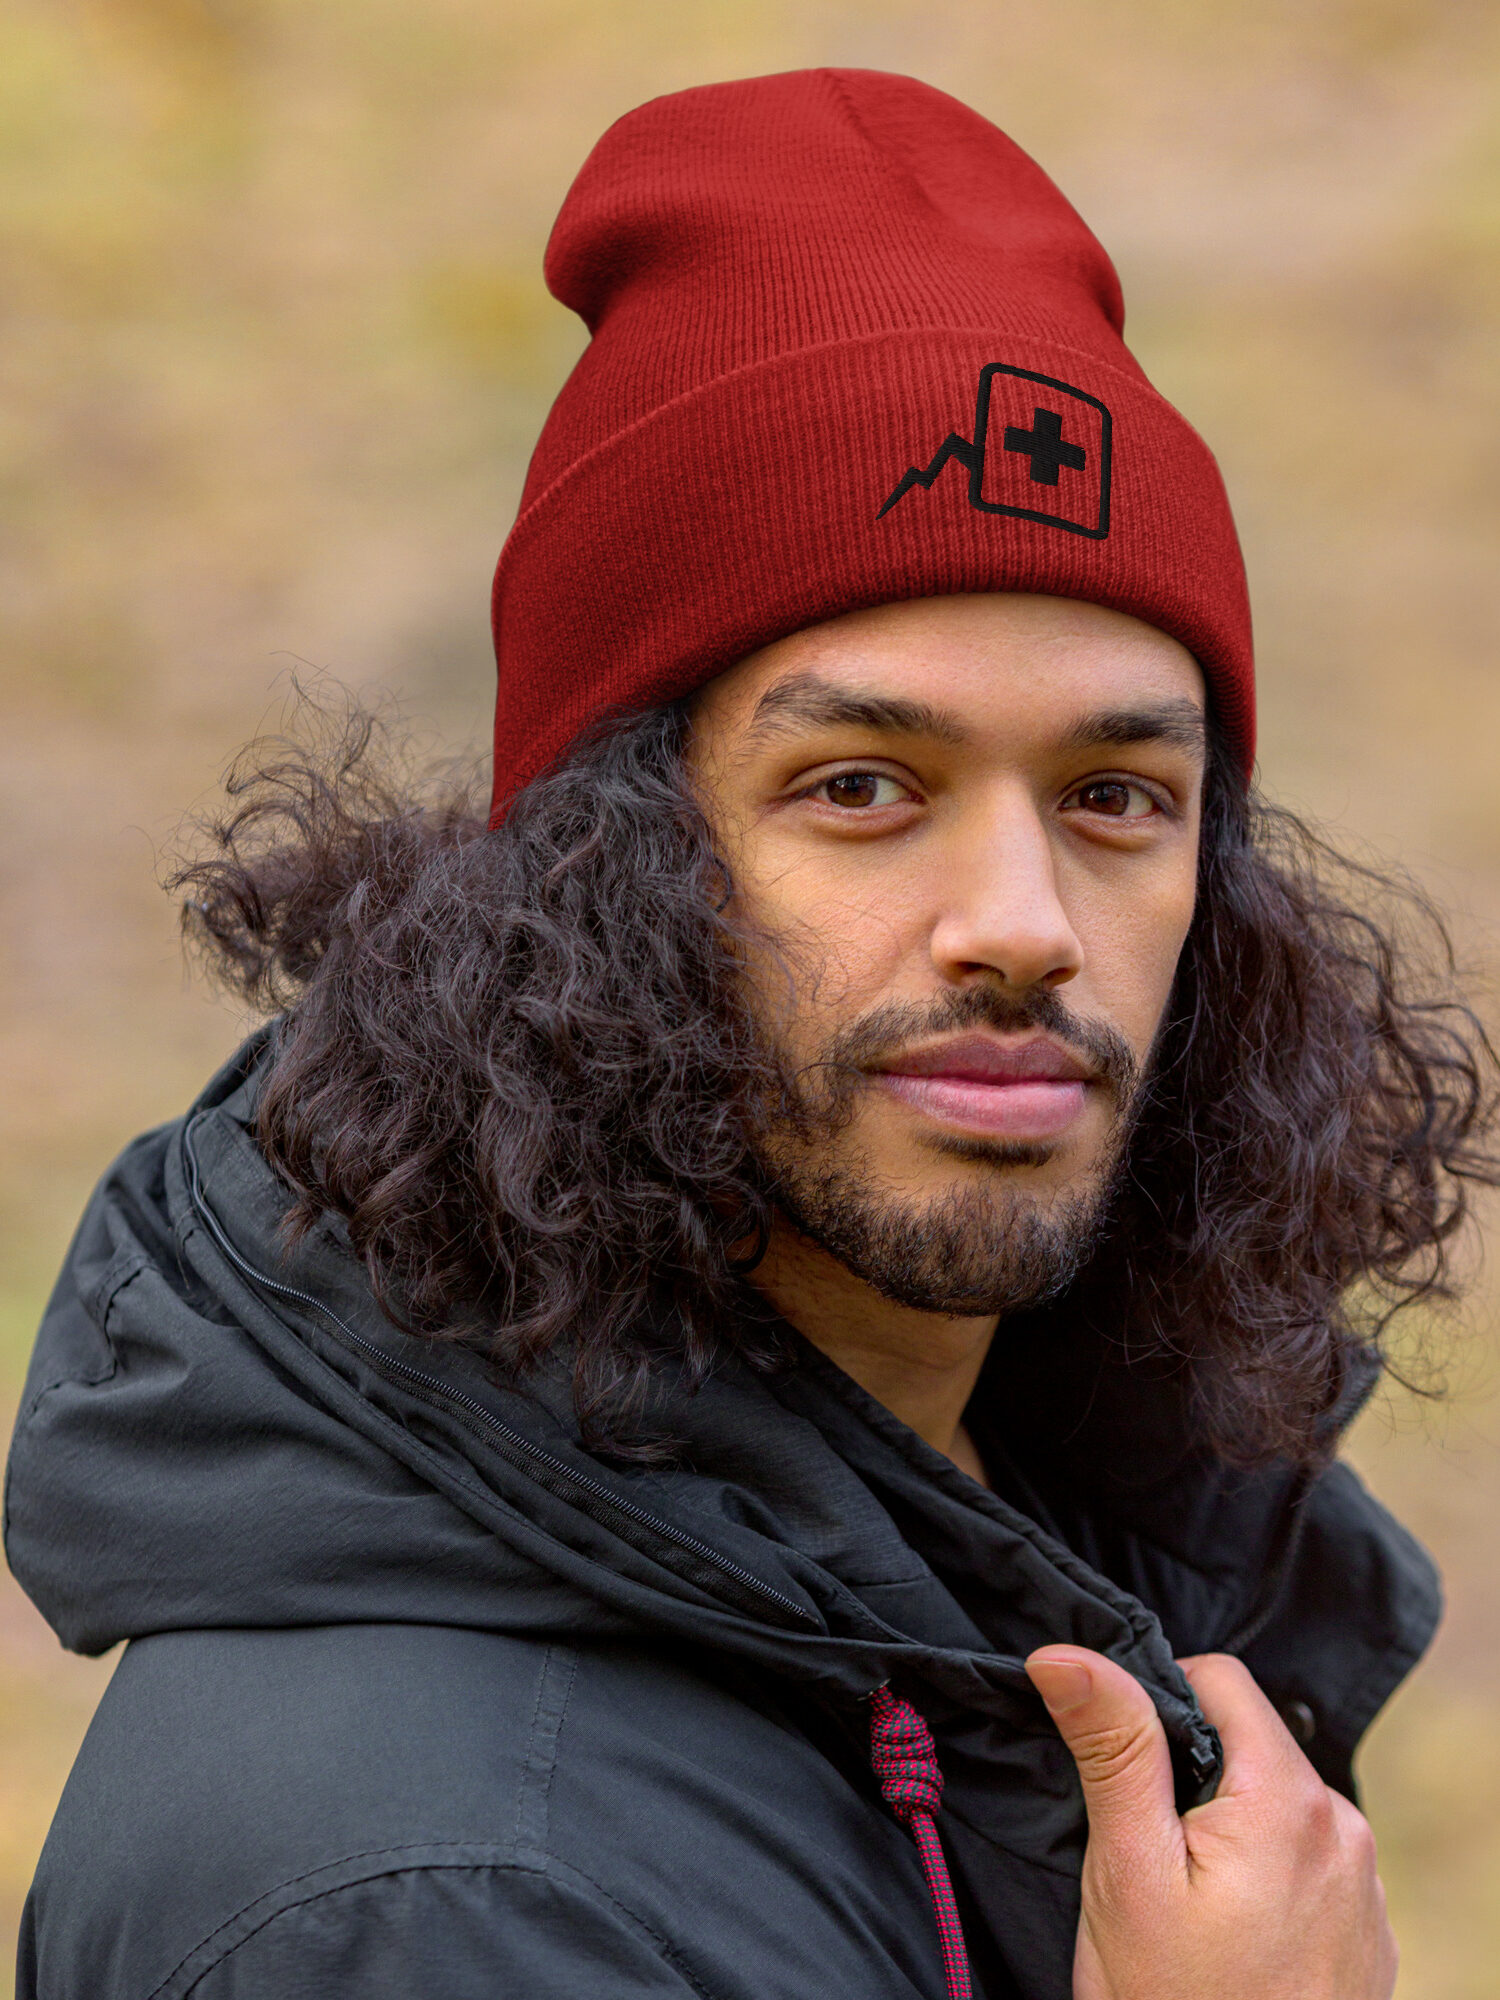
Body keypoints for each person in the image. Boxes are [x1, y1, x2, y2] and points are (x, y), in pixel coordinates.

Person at [8, 68, 1496, 2000]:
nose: (1026, 927)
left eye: (1118, 794)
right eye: (864, 785)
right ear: (600, 874)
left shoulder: (1022, 1537)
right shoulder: (440, 1899)